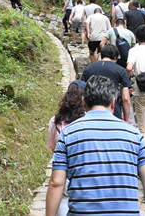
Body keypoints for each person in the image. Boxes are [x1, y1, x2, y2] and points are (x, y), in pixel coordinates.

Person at [46, 76, 145, 216]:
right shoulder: (135, 135)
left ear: (84, 103)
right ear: (113, 103)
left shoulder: (68, 134)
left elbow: (56, 183)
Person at [46, 80, 86, 216]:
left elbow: (54, 151)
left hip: (62, 176)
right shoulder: (87, 121)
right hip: (83, 177)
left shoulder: (55, 121)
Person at [81, 44, 131, 121]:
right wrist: (126, 120)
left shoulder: (88, 69)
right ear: (115, 58)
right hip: (114, 112)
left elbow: (82, 92)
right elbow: (126, 98)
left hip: (91, 111)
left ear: (101, 55)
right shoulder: (121, 70)